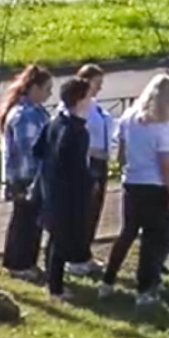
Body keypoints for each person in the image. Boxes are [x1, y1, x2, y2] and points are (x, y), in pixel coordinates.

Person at [101, 75, 169, 305]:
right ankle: (146, 288)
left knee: (127, 232)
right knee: (153, 240)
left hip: (132, 182)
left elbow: (122, 153)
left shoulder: (129, 117)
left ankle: (108, 280)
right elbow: (165, 166)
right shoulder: (163, 127)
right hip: (155, 186)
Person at [37, 77, 94, 302]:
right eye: (89, 96)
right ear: (80, 100)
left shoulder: (55, 122)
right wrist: (89, 183)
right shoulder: (77, 131)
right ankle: (56, 289)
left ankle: (52, 282)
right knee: (61, 241)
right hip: (68, 194)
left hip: (50, 188)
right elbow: (75, 166)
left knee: (53, 238)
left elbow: (39, 149)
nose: (91, 101)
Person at [0, 64, 54, 281]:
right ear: (34, 88)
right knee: (25, 223)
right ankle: (19, 264)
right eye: (47, 89)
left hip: (31, 176)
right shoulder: (25, 114)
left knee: (32, 222)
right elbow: (29, 150)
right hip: (26, 177)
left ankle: (27, 261)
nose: (49, 94)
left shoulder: (35, 110)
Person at [73, 64, 111, 274]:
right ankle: (76, 257)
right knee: (83, 211)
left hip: (101, 162)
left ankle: (85, 253)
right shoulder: (78, 107)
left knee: (94, 211)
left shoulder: (94, 106)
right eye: (97, 83)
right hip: (88, 162)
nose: (100, 88)